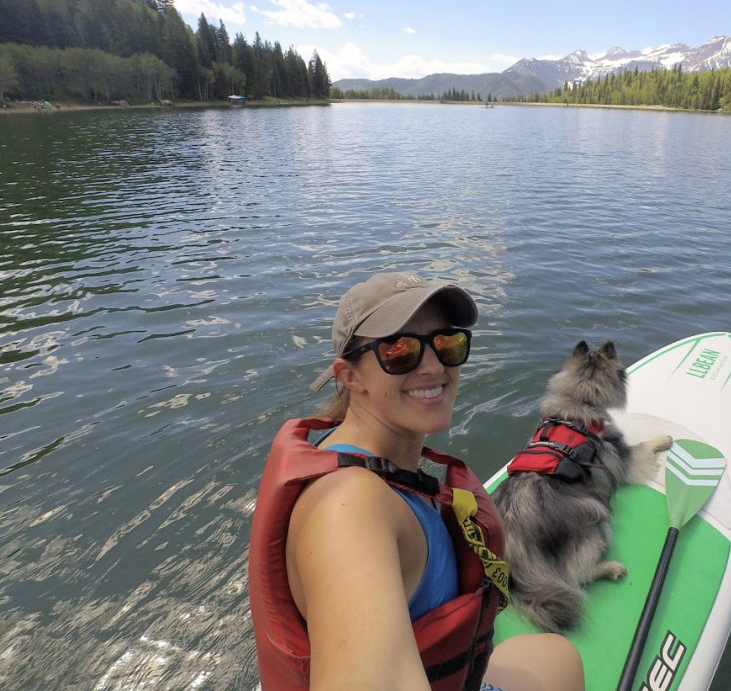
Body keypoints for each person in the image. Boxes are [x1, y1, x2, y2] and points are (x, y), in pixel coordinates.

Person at [249, 271, 585, 691]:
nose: (433, 366)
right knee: (559, 664)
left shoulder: (358, 460)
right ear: (350, 377)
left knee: (553, 656)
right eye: (399, 350)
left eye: (446, 343)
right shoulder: (349, 509)